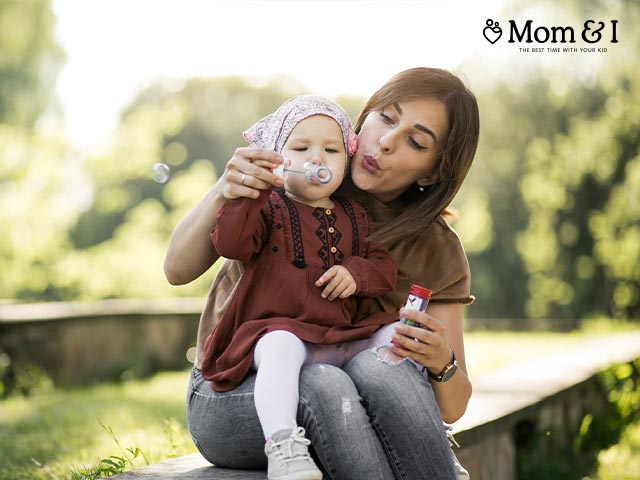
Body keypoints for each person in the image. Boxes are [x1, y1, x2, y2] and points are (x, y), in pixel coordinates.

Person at [165, 67, 479, 480]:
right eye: (386, 117)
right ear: (364, 118)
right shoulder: (296, 175)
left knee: (378, 366)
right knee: (326, 384)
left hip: (353, 399)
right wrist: (227, 186)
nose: (385, 142)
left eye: (415, 141)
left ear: (432, 171)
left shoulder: (434, 247)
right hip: (234, 391)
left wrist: (442, 361)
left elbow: (452, 406)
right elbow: (176, 269)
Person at [201, 94, 398, 480]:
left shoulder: (355, 216)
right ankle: (284, 446)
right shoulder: (268, 206)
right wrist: (245, 197)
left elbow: (383, 267)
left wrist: (356, 274)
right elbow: (231, 244)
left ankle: (418, 431)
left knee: (397, 334)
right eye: (301, 147)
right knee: (281, 344)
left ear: (347, 159)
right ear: (277, 156)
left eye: (331, 149)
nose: (317, 159)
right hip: (279, 335)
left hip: (339, 339)